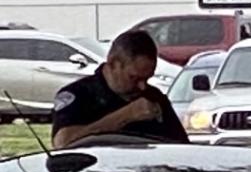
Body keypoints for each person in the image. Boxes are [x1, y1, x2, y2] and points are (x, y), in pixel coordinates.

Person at [51, 30, 188, 149]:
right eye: (134, 78)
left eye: (147, 79)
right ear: (113, 64)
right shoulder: (79, 95)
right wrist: (126, 115)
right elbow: (63, 143)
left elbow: (181, 147)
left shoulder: (153, 97)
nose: (142, 86)